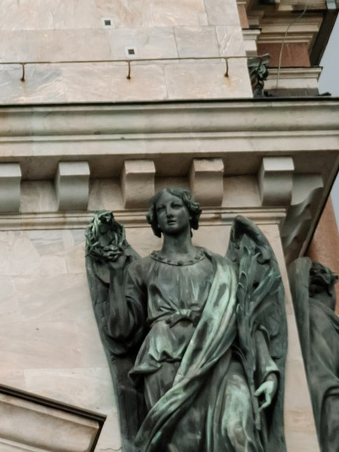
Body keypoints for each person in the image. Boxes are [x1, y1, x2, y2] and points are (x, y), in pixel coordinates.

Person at [88, 189, 284, 449]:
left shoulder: (221, 267)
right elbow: (121, 330)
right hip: (163, 356)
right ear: (155, 221)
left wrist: (267, 370)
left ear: (191, 213)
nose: (168, 213)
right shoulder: (141, 268)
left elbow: (247, 320)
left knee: (237, 430)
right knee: (180, 443)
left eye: (176, 206)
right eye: (161, 209)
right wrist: (116, 276)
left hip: (219, 356)